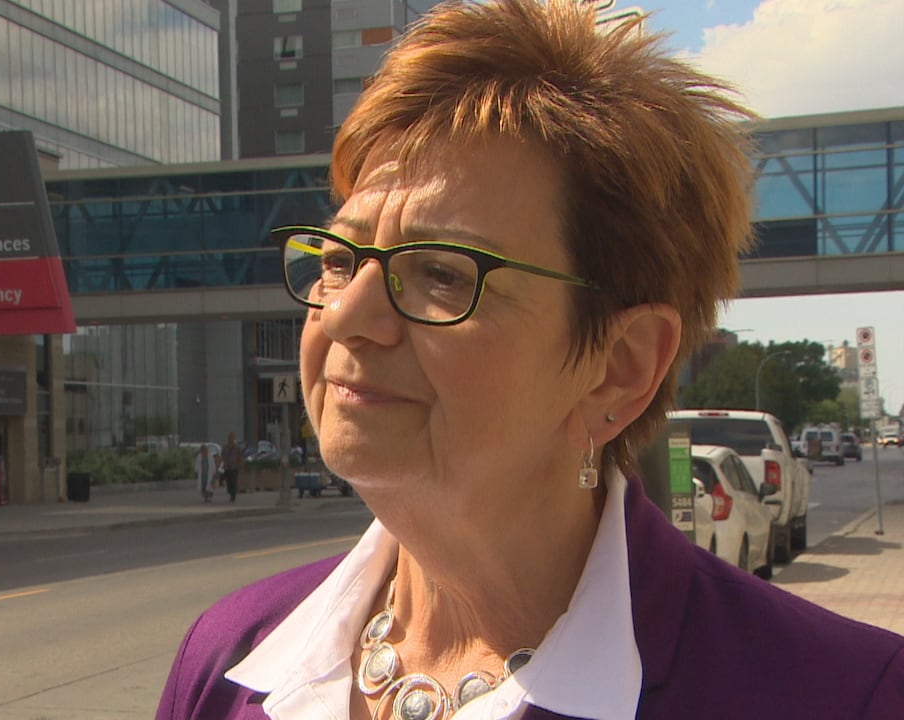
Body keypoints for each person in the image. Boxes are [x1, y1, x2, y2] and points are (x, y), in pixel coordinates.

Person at [156, 2, 904, 719]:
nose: (347, 317)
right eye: (339, 260)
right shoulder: (227, 661)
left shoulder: (845, 697)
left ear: (619, 367)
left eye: (443, 275)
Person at [222, 432, 244, 502]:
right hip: (227, 467)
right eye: (229, 438)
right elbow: (222, 456)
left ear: (234, 439)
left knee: (233, 482)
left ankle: (233, 496)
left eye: (232, 438)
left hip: (234, 467)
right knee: (229, 482)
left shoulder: (237, 447)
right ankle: (230, 492)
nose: (230, 439)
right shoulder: (225, 447)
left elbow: (241, 457)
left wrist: (241, 465)